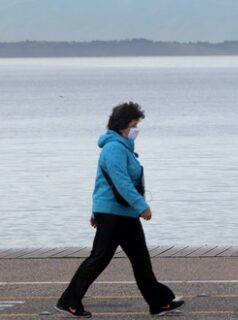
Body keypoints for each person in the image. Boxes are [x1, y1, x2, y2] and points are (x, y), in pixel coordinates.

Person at [56, 102, 185, 317]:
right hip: (115, 215)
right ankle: (69, 300)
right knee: (99, 259)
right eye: (134, 125)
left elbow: (102, 184)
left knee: (140, 259)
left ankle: (159, 302)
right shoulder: (114, 148)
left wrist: (96, 211)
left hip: (122, 213)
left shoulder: (123, 147)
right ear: (122, 126)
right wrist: (142, 206)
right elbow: (120, 182)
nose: (136, 129)